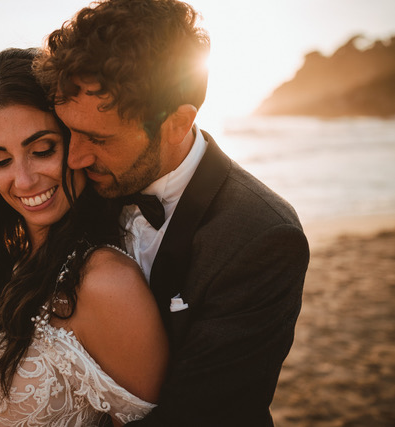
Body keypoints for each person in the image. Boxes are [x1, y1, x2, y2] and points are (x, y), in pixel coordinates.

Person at [34, 0, 310, 425]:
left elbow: (201, 414)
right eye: (67, 130)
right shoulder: (75, 189)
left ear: (178, 123)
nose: (73, 158)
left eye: (98, 139)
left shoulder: (263, 236)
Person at [0, 47, 169, 426]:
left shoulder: (108, 282)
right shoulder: (18, 262)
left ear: (77, 141)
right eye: (1, 160)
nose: (23, 180)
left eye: (42, 149)